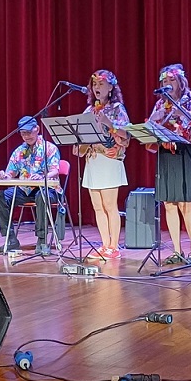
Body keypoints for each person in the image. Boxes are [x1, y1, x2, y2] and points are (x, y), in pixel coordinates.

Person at [146, 64, 191, 265]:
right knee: (169, 204)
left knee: (185, 204)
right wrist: (153, 122)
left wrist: (183, 115)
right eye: (164, 81)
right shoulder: (160, 104)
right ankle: (177, 250)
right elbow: (150, 130)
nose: (167, 84)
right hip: (165, 153)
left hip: (183, 152)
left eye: (171, 80)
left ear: (180, 82)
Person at [75, 70, 130, 259]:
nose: (96, 88)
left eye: (101, 84)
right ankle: (105, 244)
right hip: (93, 160)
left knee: (109, 205)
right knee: (97, 206)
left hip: (109, 159)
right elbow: (80, 134)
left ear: (111, 87)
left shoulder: (117, 108)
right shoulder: (88, 110)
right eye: (94, 84)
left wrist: (109, 123)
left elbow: (126, 134)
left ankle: (114, 246)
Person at [0, 116, 61, 256]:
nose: (26, 136)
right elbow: (10, 173)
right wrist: (3, 175)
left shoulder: (49, 147)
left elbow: (55, 170)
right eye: (23, 133)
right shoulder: (19, 151)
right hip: (25, 190)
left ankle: (42, 240)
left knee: (41, 197)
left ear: (37, 129)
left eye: (29, 132)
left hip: (47, 190)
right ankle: (10, 239)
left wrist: (44, 176)